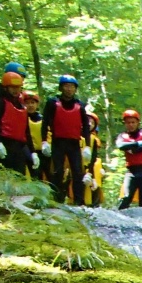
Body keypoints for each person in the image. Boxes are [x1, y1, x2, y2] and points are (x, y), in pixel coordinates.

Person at [41, 75, 91, 205]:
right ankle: (56, 199)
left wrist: (88, 146)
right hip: (58, 142)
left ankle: (79, 201)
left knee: (77, 172)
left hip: (74, 143)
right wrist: (44, 140)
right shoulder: (52, 103)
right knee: (57, 171)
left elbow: (85, 126)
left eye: (72, 87)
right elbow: (45, 122)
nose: (69, 89)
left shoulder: (80, 105)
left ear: (75, 89)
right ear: (61, 87)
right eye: (66, 86)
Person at [0, 72, 39, 176]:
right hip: (5, 144)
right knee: (7, 175)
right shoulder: (0, 103)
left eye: (18, 87)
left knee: (20, 175)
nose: (16, 90)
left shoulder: (22, 106)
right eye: (12, 87)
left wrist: (33, 152)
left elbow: (26, 131)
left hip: (19, 146)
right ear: (5, 88)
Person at [116, 109, 142, 210]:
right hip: (131, 171)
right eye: (128, 122)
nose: (131, 125)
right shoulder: (121, 136)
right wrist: (137, 144)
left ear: (138, 123)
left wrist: (132, 149)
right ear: (125, 124)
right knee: (126, 197)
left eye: (133, 122)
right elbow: (120, 146)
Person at [21, 90, 48, 181]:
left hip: (43, 153)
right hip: (29, 152)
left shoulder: (43, 119)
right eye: (27, 103)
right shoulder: (21, 118)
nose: (30, 105)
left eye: (33, 102)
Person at [79, 109, 104, 207]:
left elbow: (94, 158)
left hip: (89, 167)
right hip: (76, 166)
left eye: (92, 123)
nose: (89, 124)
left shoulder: (93, 140)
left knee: (93, 181)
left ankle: (94, 203)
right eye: (87, 121)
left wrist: (90, 173)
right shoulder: (75, 136)